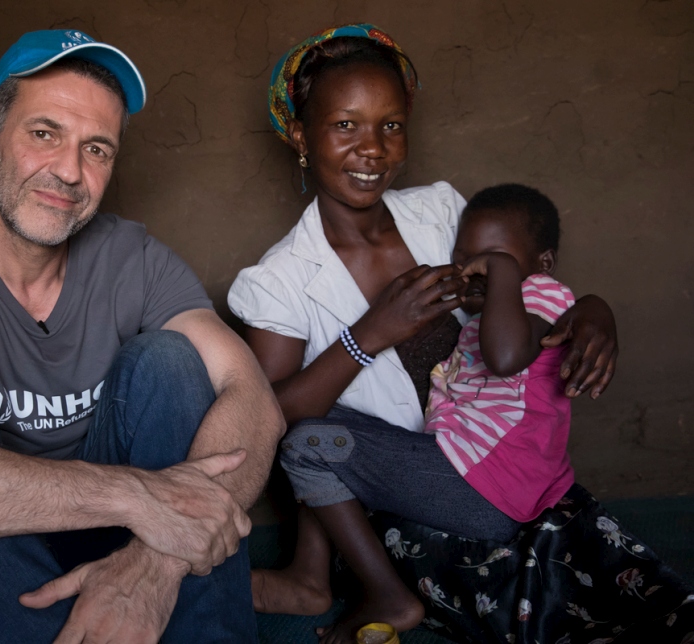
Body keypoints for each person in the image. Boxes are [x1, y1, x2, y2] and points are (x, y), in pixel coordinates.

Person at [0, 29, 284, 644]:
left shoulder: (134, 258)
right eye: (44, 134)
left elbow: (252, 396)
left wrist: (155, 561)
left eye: (97, 148)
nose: (69, 170)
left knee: (171, 361)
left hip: (111, 545)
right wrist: (136, 499)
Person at [227, 24, 618, 643]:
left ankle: (314, 577)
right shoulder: (277, 280)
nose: (373, 149)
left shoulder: (439, 211)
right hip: (391, 481)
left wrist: (594, 307)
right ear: (301, 136)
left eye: (391, 125)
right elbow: (270, 415)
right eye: (345, 125)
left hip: (478, 464)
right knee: (311, 430)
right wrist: (371, 332)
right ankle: (318, 578)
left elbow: (531, 289)